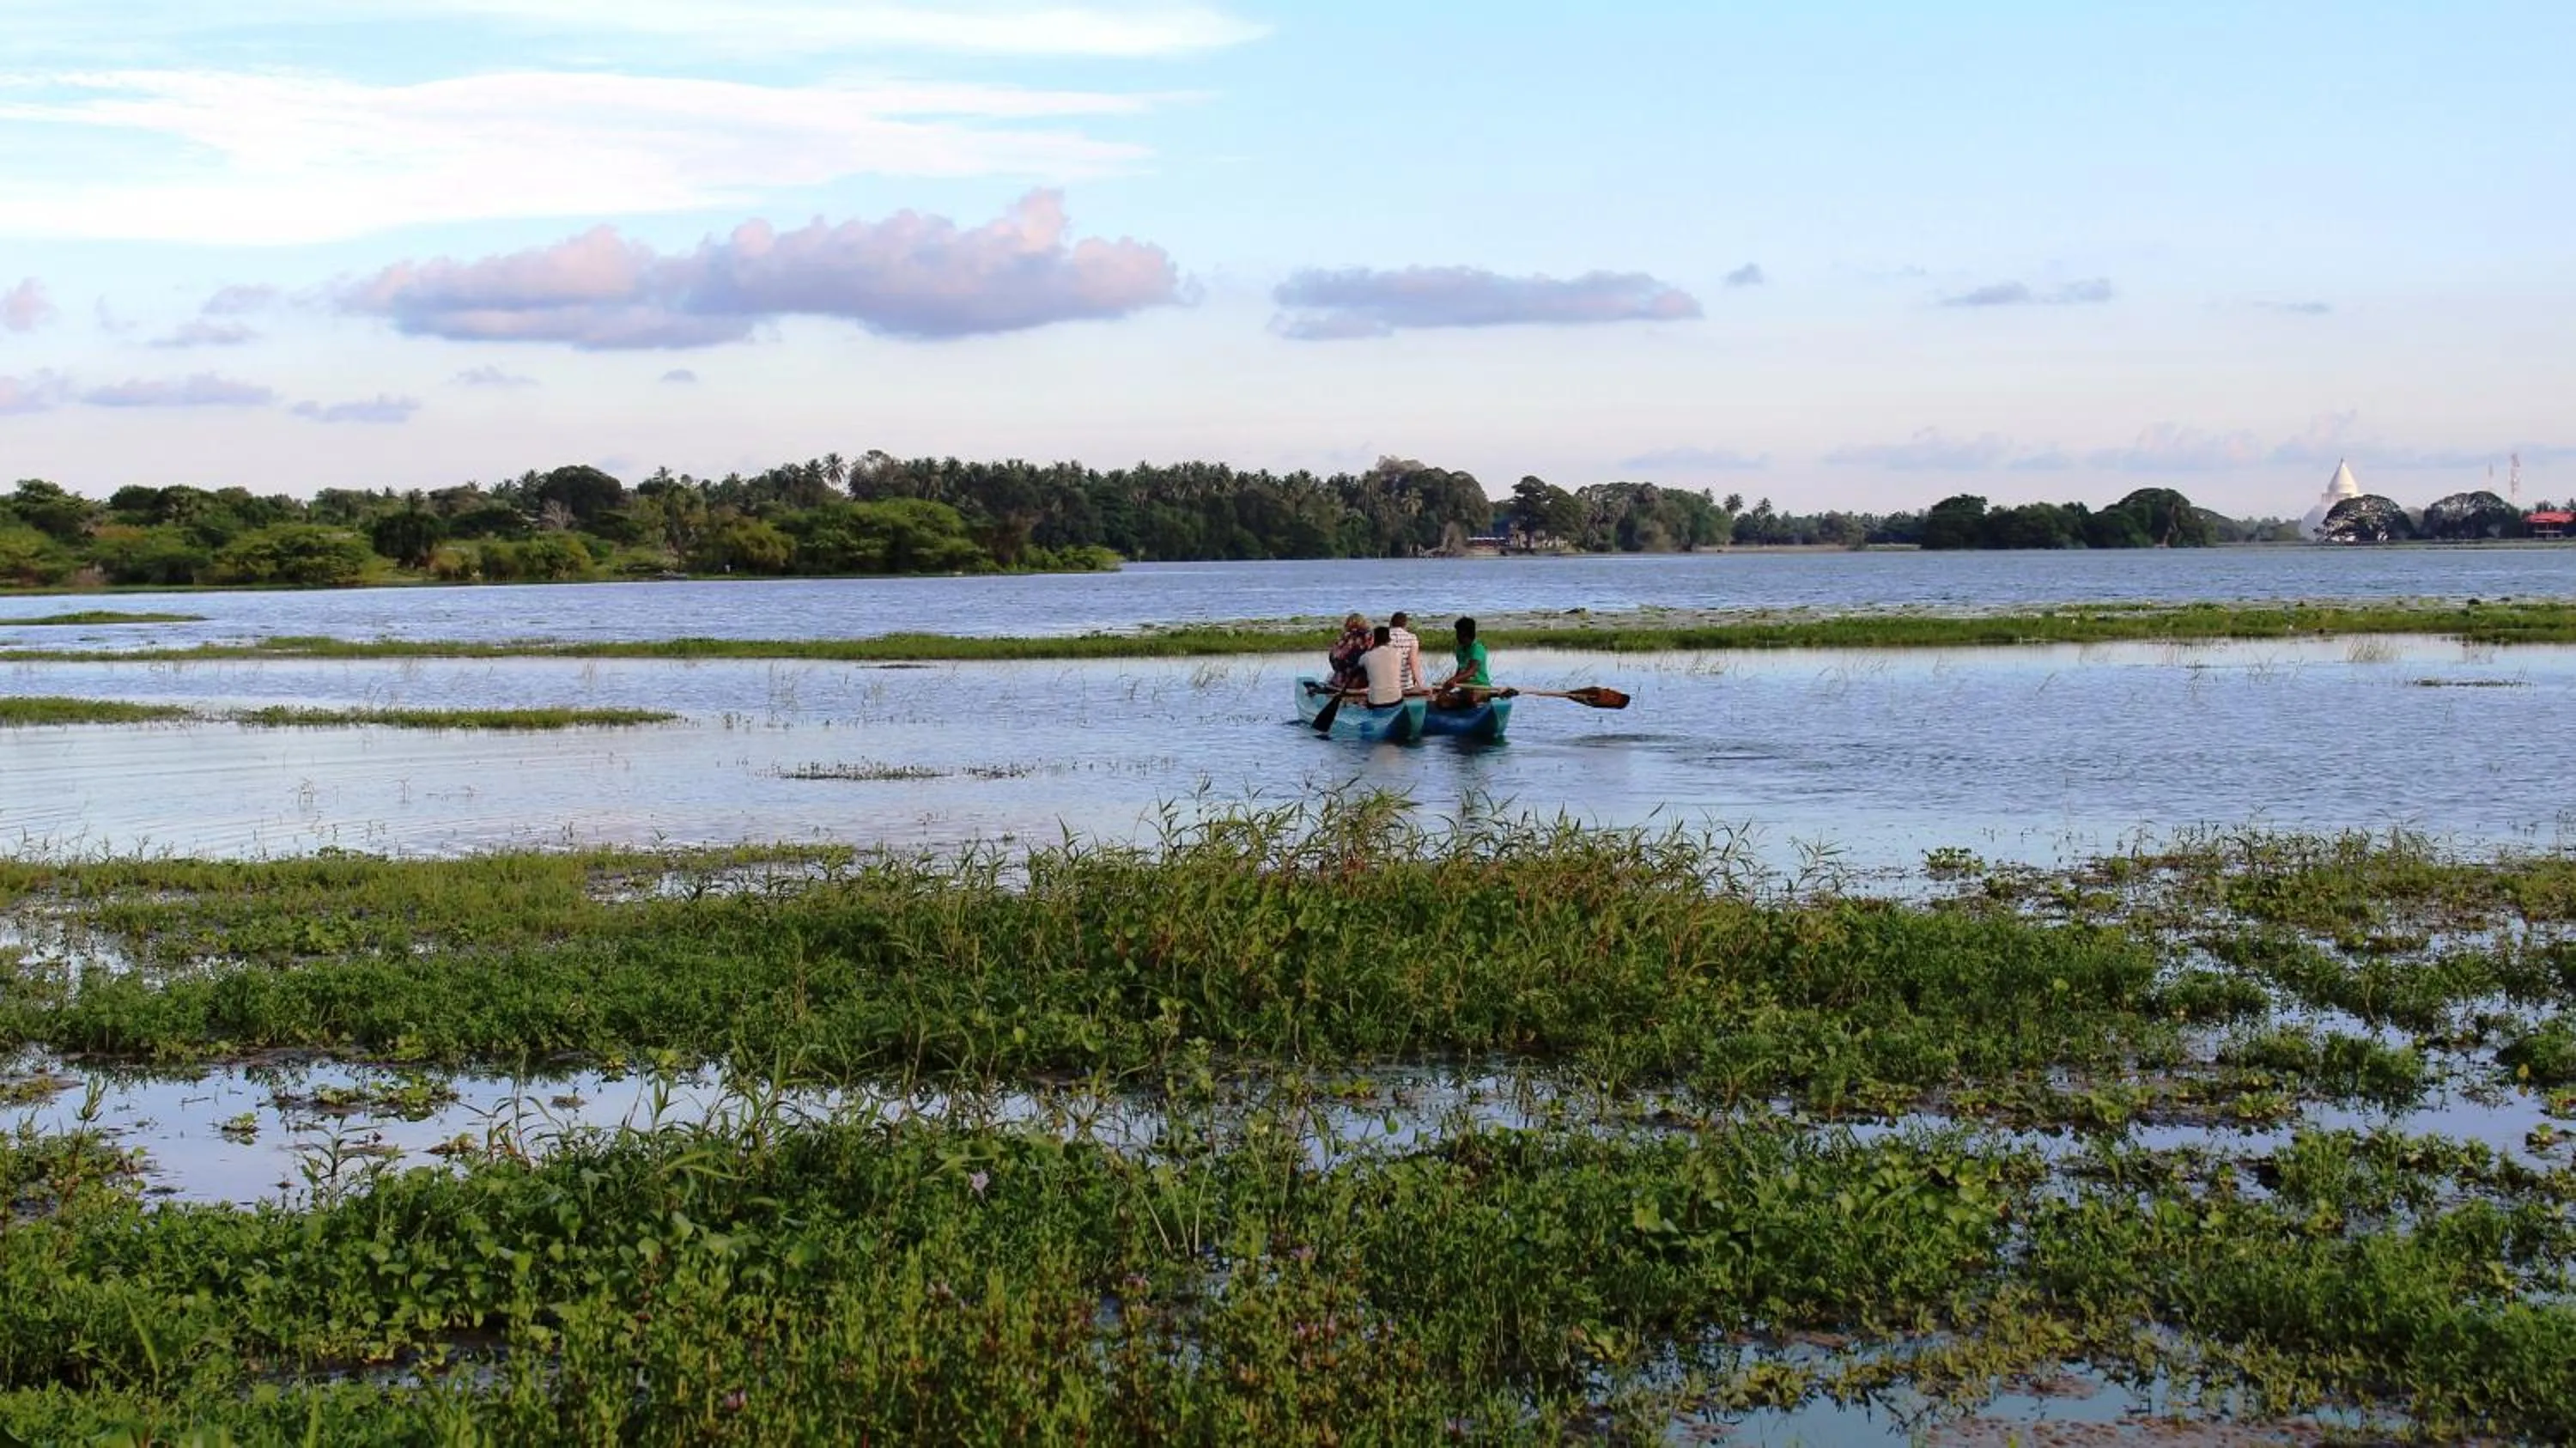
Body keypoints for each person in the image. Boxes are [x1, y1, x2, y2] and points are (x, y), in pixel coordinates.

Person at [1436, 616, 1492, 700]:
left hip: (1480, 687)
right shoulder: (1460, 649)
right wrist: (1447, 687)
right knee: (1441, 700)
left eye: (1458, 633)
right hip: (1465, 688)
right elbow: (1460, 671)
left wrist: (1454, 679)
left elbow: (1471, 671)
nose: (1457, 636)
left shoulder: (1477, 648)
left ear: (1465, 634)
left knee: (1471, 697)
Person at [1358, 624, 1406, 706]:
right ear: (1389, 639)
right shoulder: (1398, 653)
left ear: (1374, 640)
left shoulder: (1366, 656)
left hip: (1376, 701)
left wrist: (1370, 648)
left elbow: (1358, 666)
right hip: (1397, 699)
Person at [1325, 611, 1372, 691]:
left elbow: (1334, 658)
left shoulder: (1346, 637)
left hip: (1346, 682)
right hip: (1367, 682)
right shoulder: (1371, 637)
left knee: (1331, 677)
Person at [1385, 611, 1425, 695]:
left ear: (1391, 622)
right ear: (1405, 624)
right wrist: (1420, 685)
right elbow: (1413, 662)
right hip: (1405, 685)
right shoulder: (1411, 638)